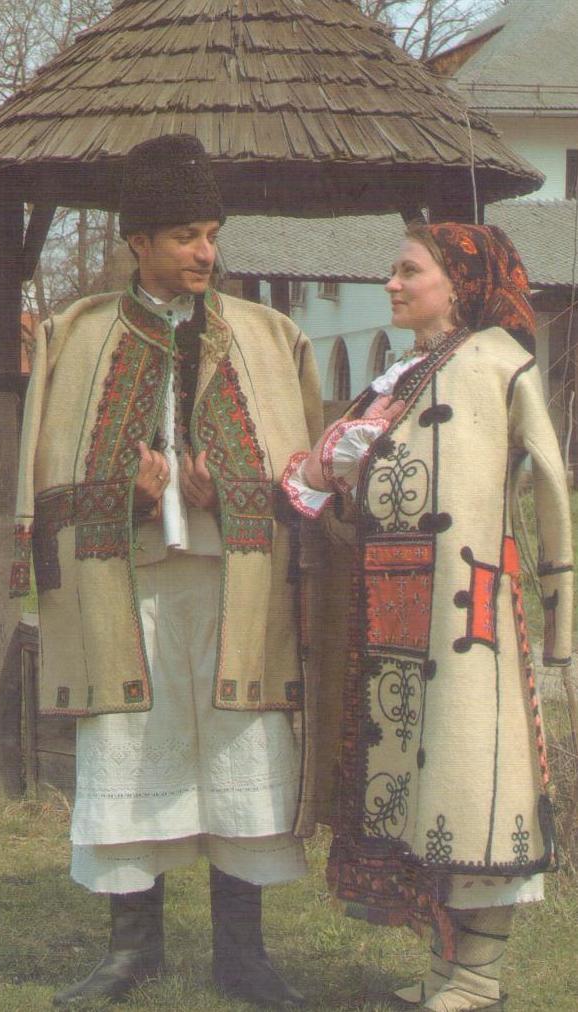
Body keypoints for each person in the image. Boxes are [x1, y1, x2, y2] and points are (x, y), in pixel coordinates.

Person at [11, 134, 323, 1008]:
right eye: (185, 233)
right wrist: (136, 501)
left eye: (212, 232)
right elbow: (48, 477)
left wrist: (233, 491)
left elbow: (310, 477)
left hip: (240, 583)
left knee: (241, 743)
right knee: (129, 744)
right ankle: (130, 952)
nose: (206, 252)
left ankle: (244, 958)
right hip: (129, 583)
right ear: (137, 239)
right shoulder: (77, 335)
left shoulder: (271, 335)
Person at [282, 222, 573, 1011]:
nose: (392, 284)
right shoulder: (398, 375)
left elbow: (549, 482)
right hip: (391, 611)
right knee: (418, 785)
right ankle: (449, 967)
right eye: (393, 271)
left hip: (467, 610)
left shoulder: (498, 362)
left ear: (459, 282)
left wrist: (563, 613)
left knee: (474, 782)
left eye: (409, 271)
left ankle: (479, 975)